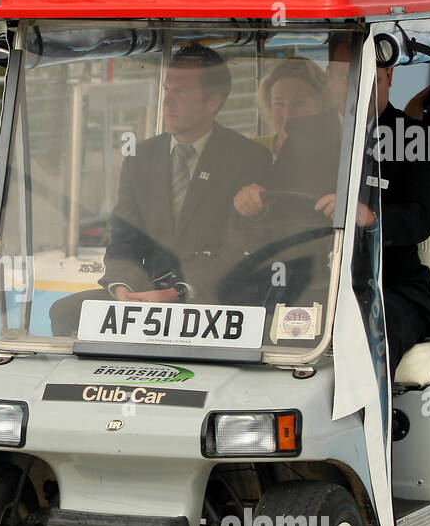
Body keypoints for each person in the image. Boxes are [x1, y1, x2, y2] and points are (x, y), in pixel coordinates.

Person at [237, 37, 430, 375]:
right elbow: (278, 197)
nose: (356, 89)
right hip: (308, 278)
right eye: (346, 78)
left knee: (366, 328)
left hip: (388, 285)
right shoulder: (303, 133)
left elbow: (421, 218)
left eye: (369, 78)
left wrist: (369, 216)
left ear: (389, 76)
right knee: (243, 315)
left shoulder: (416, 138)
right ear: (330, 80)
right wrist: (256, 204)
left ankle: (371, 423)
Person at [48, 45, 272, 336]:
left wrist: (180, 291)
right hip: (147, 296)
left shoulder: (247, 157)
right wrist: (122, 287)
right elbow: (124, 239)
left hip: (212, 299)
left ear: (212, 102)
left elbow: (244, 247)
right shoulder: (141, 157)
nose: (167, 101)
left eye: (180, 92)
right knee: (65, 313)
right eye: (167, 89)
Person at [253, 57, 326, 155]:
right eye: (279, 104)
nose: (288, 115)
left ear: (319, 104)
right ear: (269, 105)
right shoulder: (248, 151)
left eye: (298, 103)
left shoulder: (342, 155)